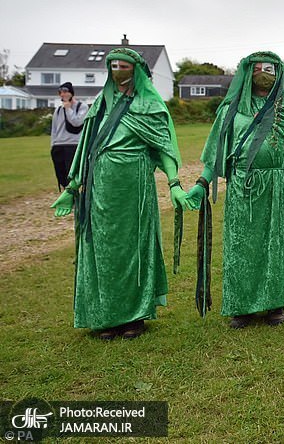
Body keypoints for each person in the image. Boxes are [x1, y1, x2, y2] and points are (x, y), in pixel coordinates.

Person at [185, 51, 284, 329]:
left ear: (279, 73)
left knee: (274, 244)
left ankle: (274, 305)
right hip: (240, 187)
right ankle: (241, 307)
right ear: (247, 73)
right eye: (257, 69)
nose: (263, 74)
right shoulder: (231, 109)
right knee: (241, 246)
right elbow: (216, 153)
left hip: (275, 187)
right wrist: (202, 183)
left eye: (269, 69)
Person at [50, 48, 189, 340]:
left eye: (123, 66)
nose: (117, 71)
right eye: (113, 66)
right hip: (100, 189)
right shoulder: (100, 104)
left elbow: (164, 147)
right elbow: (86, 147)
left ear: (136, 70)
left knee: (132, 248)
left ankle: (134, 316)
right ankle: (106, 315)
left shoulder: (149, 105)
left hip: (133, 188)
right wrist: (72, 187)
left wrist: (174, 183)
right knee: (103, 250)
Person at [50, 82, 87, 190]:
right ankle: (66, 193)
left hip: (73, 145)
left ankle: (74, 194)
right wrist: (53, 145)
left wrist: (68, 109)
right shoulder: (58, 110)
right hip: (58, 145)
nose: (63, 95)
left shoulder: (81, 107)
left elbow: (77, 122)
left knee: (72, 174)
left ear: (71, 93)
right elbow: (54, 129)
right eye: (60, 92)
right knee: (61, 174)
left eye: (65, 92)